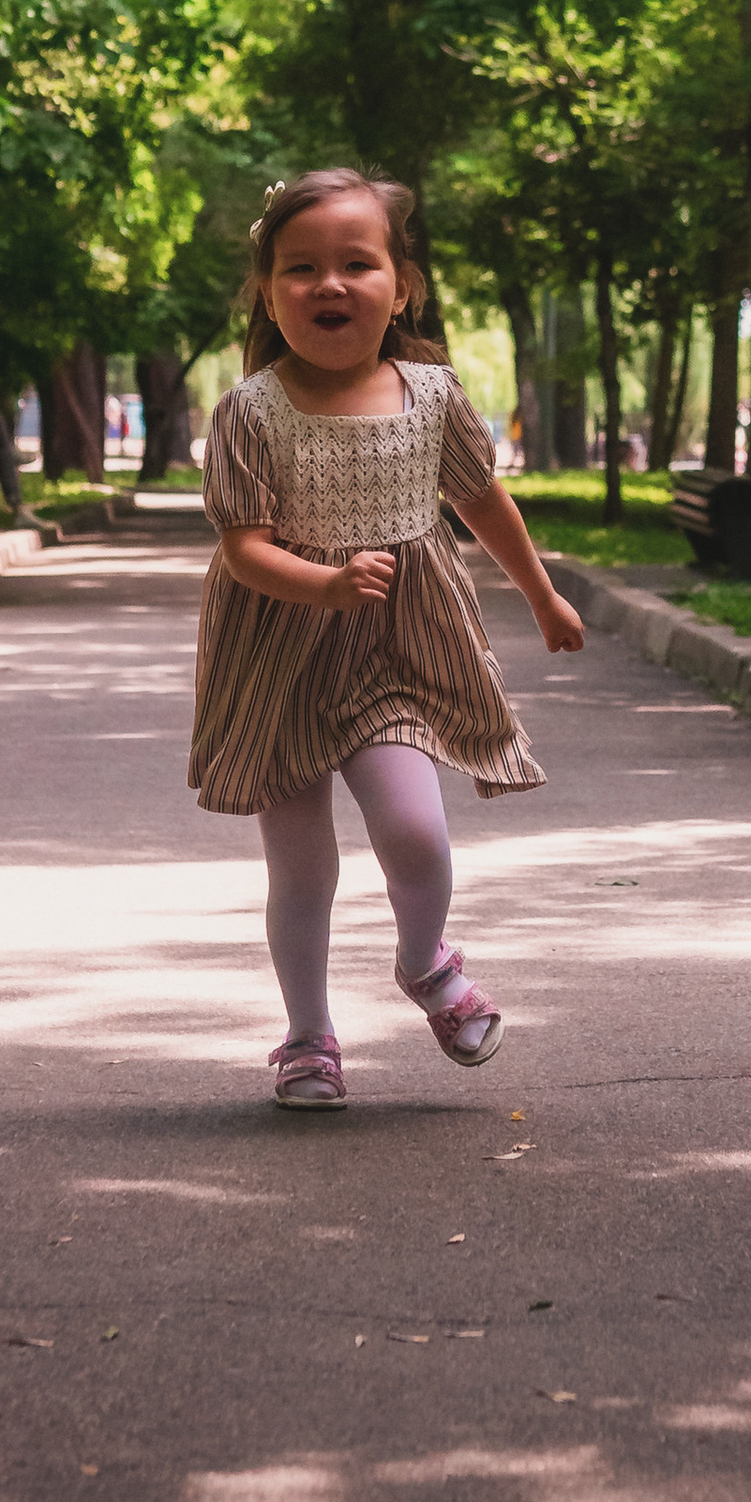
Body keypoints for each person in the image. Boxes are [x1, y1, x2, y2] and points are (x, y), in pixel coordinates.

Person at [190, 167, 586, 1111]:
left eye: (355, 264)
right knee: (302, 865)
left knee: (414, 829)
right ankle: (309, 1038)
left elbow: (481, 500)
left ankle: (425, 961)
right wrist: (323, 582)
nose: (329, 285)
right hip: (276, 655)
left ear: (400, 286)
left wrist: (541, 594)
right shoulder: (251, 411)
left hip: (399, 649)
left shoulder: (433, 395)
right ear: (268, 293)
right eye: (300, 269)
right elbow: (243, 550)